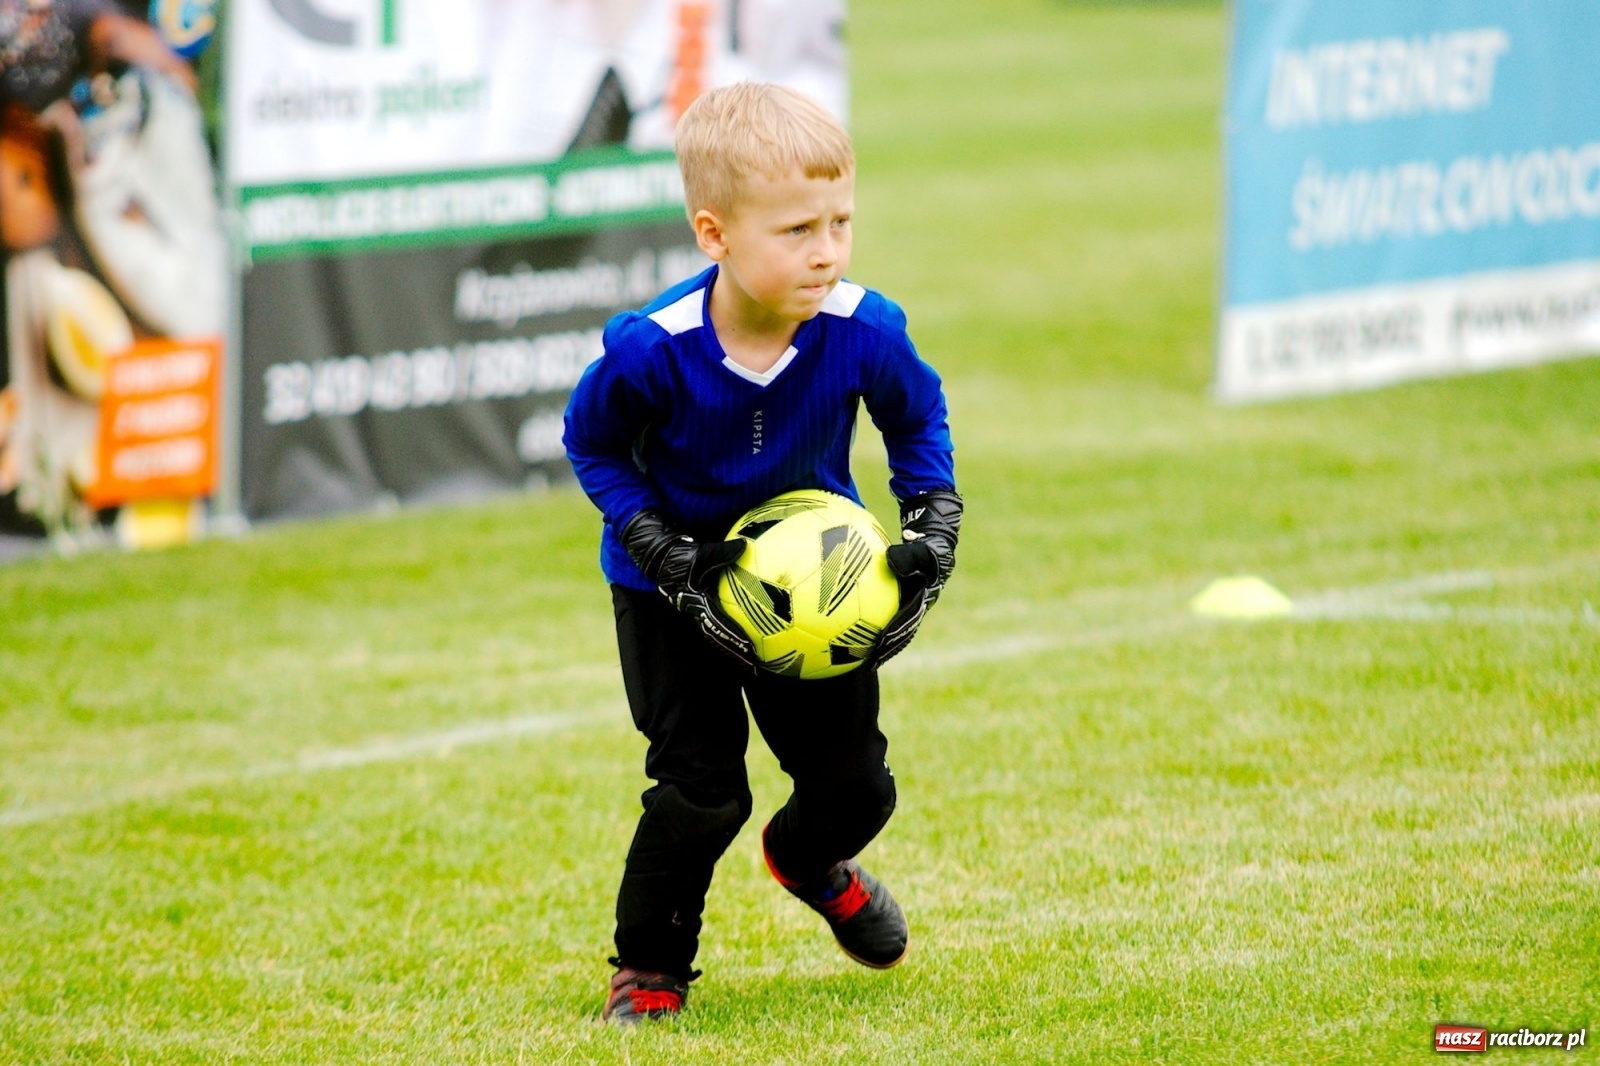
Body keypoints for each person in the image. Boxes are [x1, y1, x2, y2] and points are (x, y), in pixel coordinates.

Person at [562, 81, 963, 1026]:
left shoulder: (866, 329)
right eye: (796, 231)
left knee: (855, 787)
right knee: (701, 791)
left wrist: (931, 519)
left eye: (840, 221)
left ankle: (810, 859)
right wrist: (656, 544)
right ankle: (650, 967)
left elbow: (918, 418)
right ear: (715, 235)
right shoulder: (648, 350)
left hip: (816, 592)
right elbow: (592, 444)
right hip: (672, 592)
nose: (825, 250)